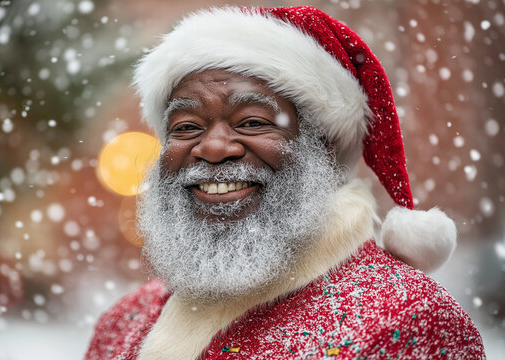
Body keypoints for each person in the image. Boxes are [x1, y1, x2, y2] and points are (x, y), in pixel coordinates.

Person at [85, 6, 485, 360]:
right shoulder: (122, 324)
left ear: (324, 148)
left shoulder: (410, 320)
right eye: (187, 126)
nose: (213, 147)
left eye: (253, 122)